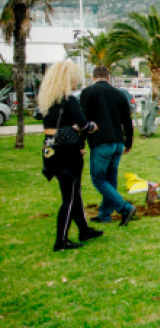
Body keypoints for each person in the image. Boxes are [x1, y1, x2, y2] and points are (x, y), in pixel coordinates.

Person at [38, 61, 104, 251]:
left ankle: (83, 229)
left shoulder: (49, 101)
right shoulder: (68, 100)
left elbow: (53, 127)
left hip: (51, 150)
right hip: (67, 153)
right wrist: (92, 126)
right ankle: (61, 240)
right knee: (69, 197)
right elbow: (83, 124)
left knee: (73, 193)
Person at [80, 67, 137, 224]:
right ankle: (105, 214)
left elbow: (83, 120)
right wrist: (128, 142)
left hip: (101, 141)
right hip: (117, 141)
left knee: (99, 179)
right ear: (108, 77)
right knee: (110, 179)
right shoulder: (119, 94)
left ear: (93, 77)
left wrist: (80, 143)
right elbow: (127, 120)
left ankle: (125, 208)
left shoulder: (88, 92)